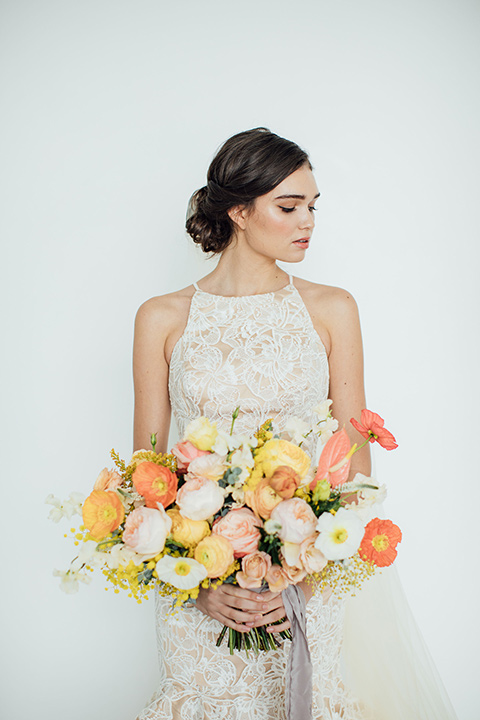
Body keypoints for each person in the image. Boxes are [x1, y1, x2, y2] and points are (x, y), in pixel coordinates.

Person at [132, 128, 457, 720]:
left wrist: (303, 578)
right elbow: (146, 474)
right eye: (289, 206)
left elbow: (355, 464)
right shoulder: (161, 318)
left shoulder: (332, 309)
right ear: (238, 210)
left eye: (312, 206)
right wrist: (200, 586)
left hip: (306, 584)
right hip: (200, 592)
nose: (308, 221)